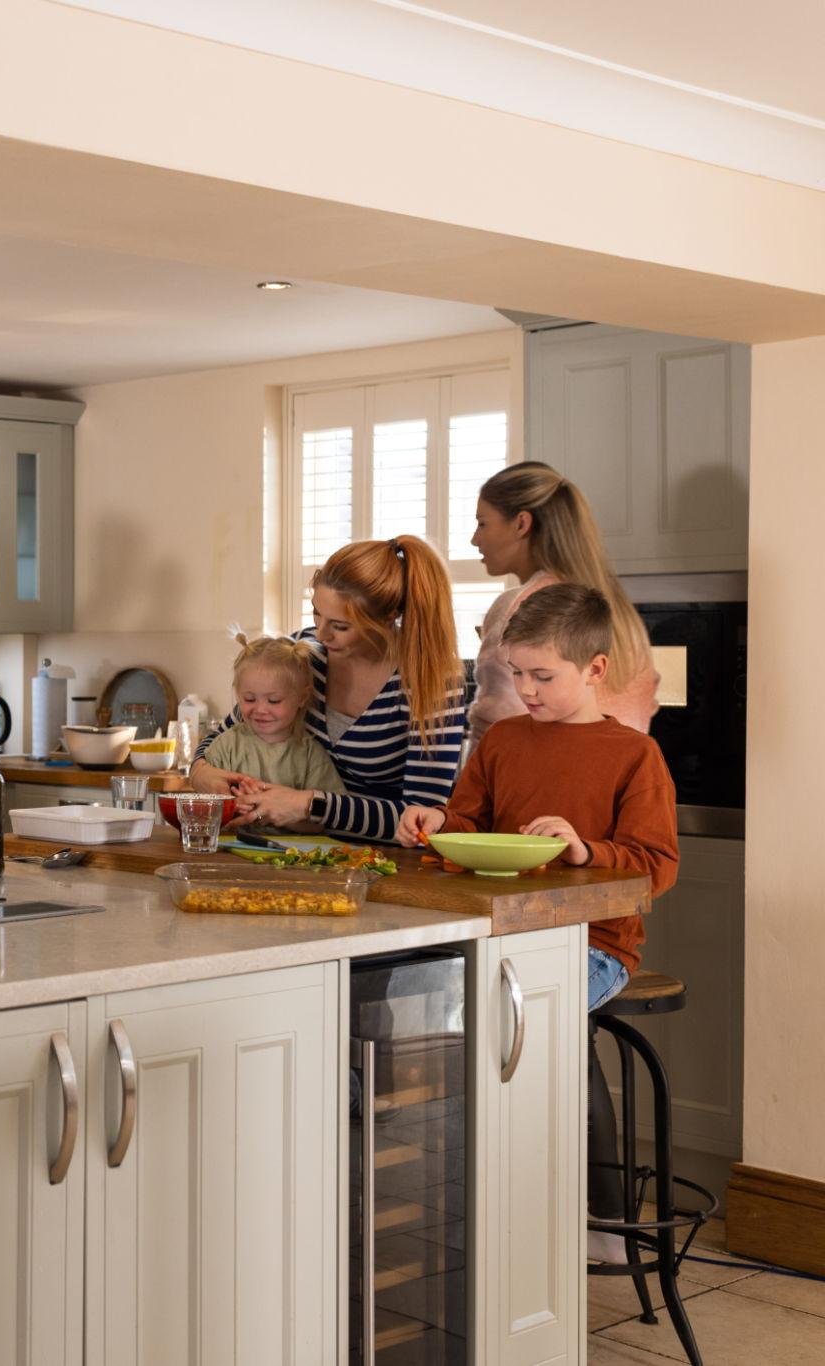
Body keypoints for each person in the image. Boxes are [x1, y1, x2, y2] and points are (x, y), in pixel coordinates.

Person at [395, 583, 679, 1261]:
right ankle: (476, 1199)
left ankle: (534, 1207)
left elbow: (656, 866)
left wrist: (584, 849)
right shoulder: (503, 742)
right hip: (498, 931)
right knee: (422, 1002)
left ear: (595, 669)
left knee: (498, 1019)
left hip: (595, 947)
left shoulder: (634, 756)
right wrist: (436, 825)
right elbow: (469, 821)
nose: (526, 690)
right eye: (516, 674)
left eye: (543, 676)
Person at [198, 536, 467, 844]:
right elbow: (228, 732)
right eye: (316, 613)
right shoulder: (305, 650)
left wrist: (309, 805)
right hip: (296, 850)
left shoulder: (431, 679)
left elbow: (420, 820)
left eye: (340, 626)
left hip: (387, 860)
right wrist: (201, 772)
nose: (321, 634)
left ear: (389, 616)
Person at [469, 461, 658, 738]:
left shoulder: (520, 608)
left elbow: (495, 737)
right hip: (611, 780)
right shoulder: (623, 616)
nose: (475, 539)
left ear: (521, 523)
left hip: (538, 781)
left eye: (482, 523)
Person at [189, 633, 345, 797]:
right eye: (249, 699)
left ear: (302, 698)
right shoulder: (225, 746)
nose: (261, 709)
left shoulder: (311, 756)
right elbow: (204, 798)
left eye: (274, 700)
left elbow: (327, 817)